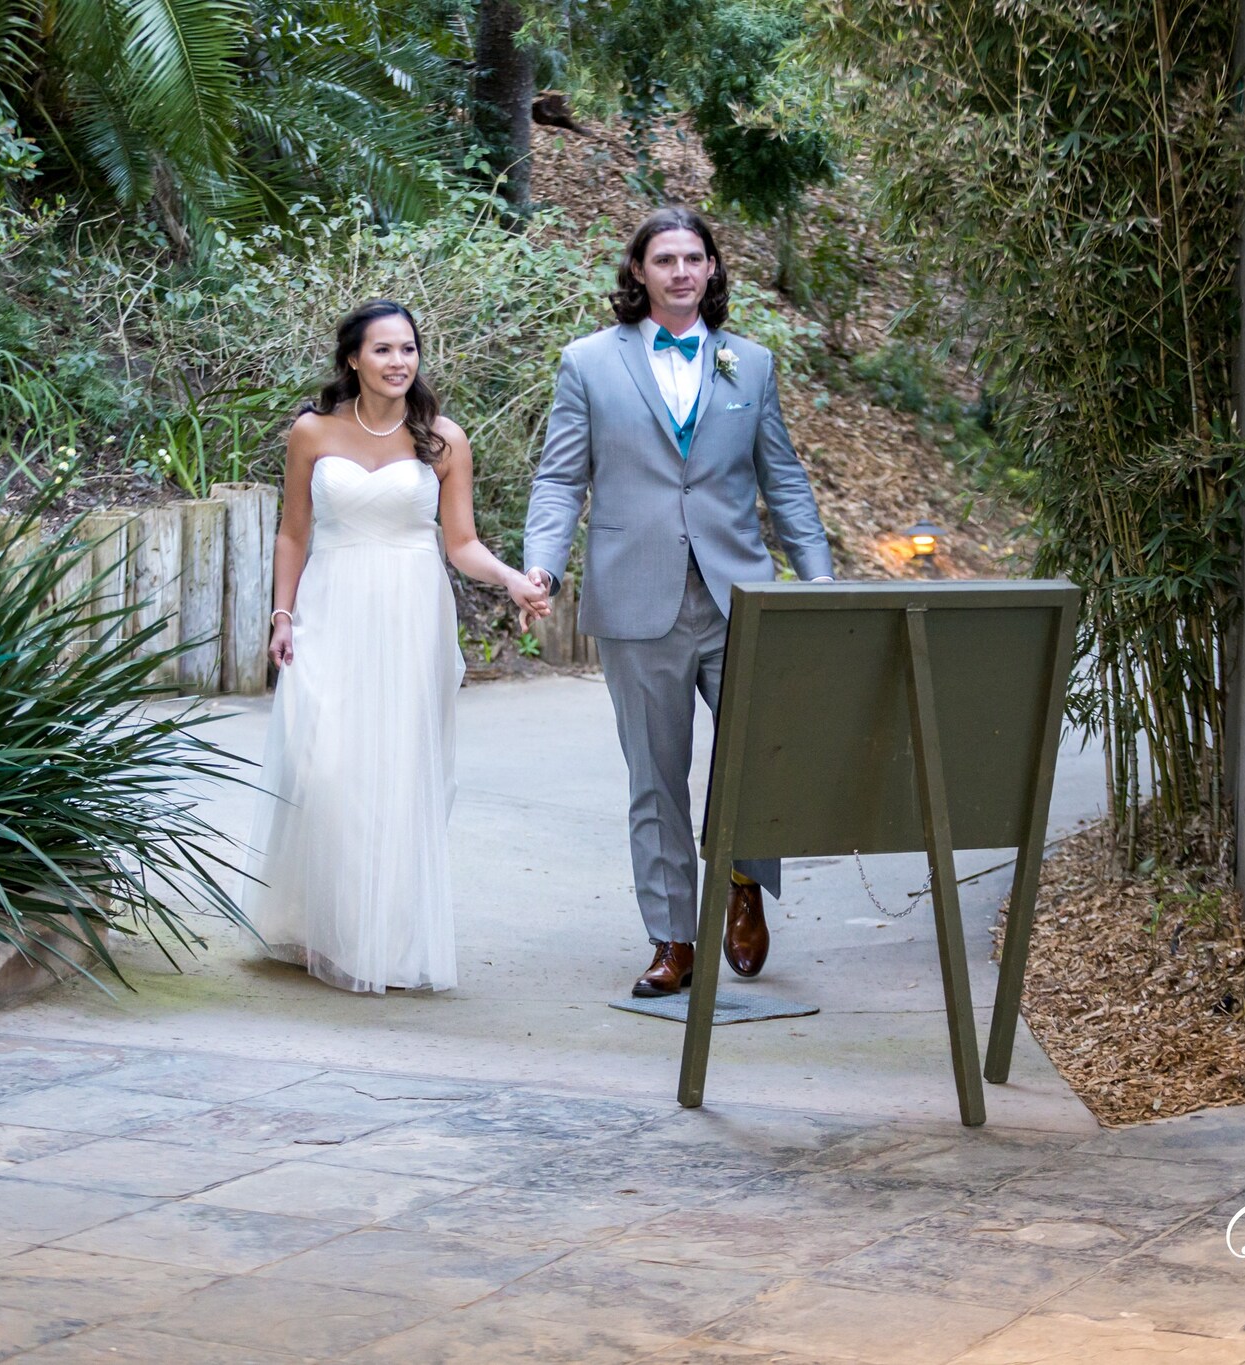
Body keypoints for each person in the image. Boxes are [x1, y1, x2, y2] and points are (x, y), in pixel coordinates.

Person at [522, 206, 834, 999]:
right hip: (636, 598)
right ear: (639, 271)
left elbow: (783, 477)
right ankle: (672, 938)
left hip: (740, 596)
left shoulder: (749, 364)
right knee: (655, 775)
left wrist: (819, 580)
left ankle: (743, 881)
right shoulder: (588, 362)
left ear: (713, 267)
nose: (682, 271)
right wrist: (542, 566)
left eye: (695, 257)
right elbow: (560, 477)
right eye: (665, 259)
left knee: (758, 758)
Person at [250, 300, 550, 993]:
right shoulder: (313, 431)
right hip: (331, 608)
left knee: (396, 771)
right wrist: (283, 613)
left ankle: (381, 939)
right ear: (353, 358)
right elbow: (293, 531)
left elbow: (462, 543)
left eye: (408, 349)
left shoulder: (443, 439)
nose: (398, 362)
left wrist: (511, 578)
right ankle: (321, 919)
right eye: (383, 349)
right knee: (324, 766)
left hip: (411, 615)